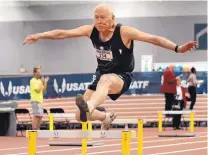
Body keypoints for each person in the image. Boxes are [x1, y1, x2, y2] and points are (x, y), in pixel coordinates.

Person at [23, 3, 198, 130]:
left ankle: (90, 107)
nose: (99, 21)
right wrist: (39, 35)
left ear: (112, 18)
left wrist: (178, 48)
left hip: (122, 76)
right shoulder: (90, 30)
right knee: (79, 116)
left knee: (104, 83)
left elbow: (153, 38)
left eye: (103, 17)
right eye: (96, 17)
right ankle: (106, 117)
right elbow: (63, 33)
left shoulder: (124, 32)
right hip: (100, 75)